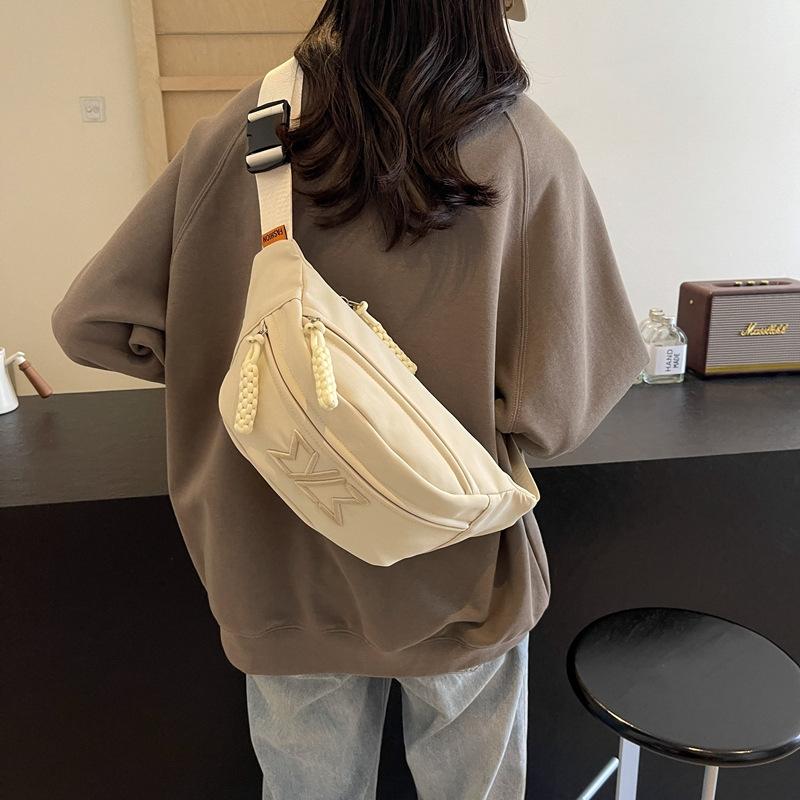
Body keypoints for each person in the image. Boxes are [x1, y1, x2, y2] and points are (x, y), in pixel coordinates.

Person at [51, 0, 649, 797]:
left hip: (276, 565)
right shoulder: (519, 145)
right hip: (451, 571)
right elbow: (560, 410)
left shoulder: (250, 127)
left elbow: (89, 323)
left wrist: (248, 377)